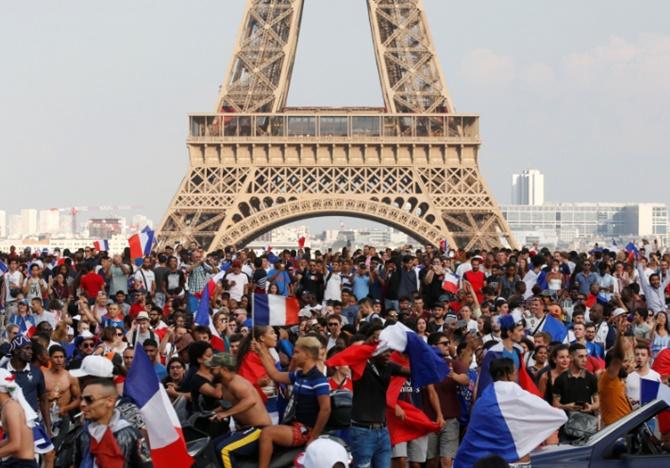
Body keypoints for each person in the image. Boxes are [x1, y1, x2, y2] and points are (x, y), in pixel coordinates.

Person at [253, 336, 331, 468]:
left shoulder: (318, 379)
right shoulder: (299, 375)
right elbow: (275, 375)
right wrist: (260, 352)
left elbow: (326, 409)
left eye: (296, 352)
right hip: (293, 425)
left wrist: (313, 437)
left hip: (305, 430)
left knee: (267, 433)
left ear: (306, 355)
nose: (293, 356)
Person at [207, 353, 273, 466]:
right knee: (212, 446)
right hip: (244, 429)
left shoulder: (236, 383)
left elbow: (250, 400)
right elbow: (229, 404)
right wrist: (213, 413)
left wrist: (226, 414)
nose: (210, 372)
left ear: (223, 369)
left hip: (258, 430)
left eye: (212, 369)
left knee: (224, 450)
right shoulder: (225, 384)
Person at [0, 335, 54, 467]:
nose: (31, 351)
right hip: (5, 422)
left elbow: (43, 399)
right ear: (16, 351)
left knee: (48, 454)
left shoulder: (36, 372)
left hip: (30, 423)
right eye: (27, 348)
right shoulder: (3, 372)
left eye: (31, 348)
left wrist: (48, 426)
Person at [73, 378, 152, 467]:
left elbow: (146, 464)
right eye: (82, 399)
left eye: (89, 400)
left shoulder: (130, 434)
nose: (82, 404)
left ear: (110, 401)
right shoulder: (83, 434)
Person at [0, 368, 38, 468]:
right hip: (17, 462)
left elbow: (15, 445)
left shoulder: (11, 408)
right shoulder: (8, 406)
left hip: (23, 464)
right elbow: (11, 440)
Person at [43, 345, 81, 440]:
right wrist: (47, 396)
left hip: (63, 417)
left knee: (60, 447)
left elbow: (78, 398)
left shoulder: (70, 376)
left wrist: (65, 408)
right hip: (45, 416)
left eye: (61, 357)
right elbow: (34, 396)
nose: (59, 360)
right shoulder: (42, 376)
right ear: (50, 358)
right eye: (55, 357)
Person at [625, 343, 661, 409]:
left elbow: (659, 398)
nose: (640, 357)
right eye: (637, 354)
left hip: (650, 416)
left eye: (643, 355)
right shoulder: (628, 376)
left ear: (648, 357)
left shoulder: (656, 376)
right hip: (631, 416)